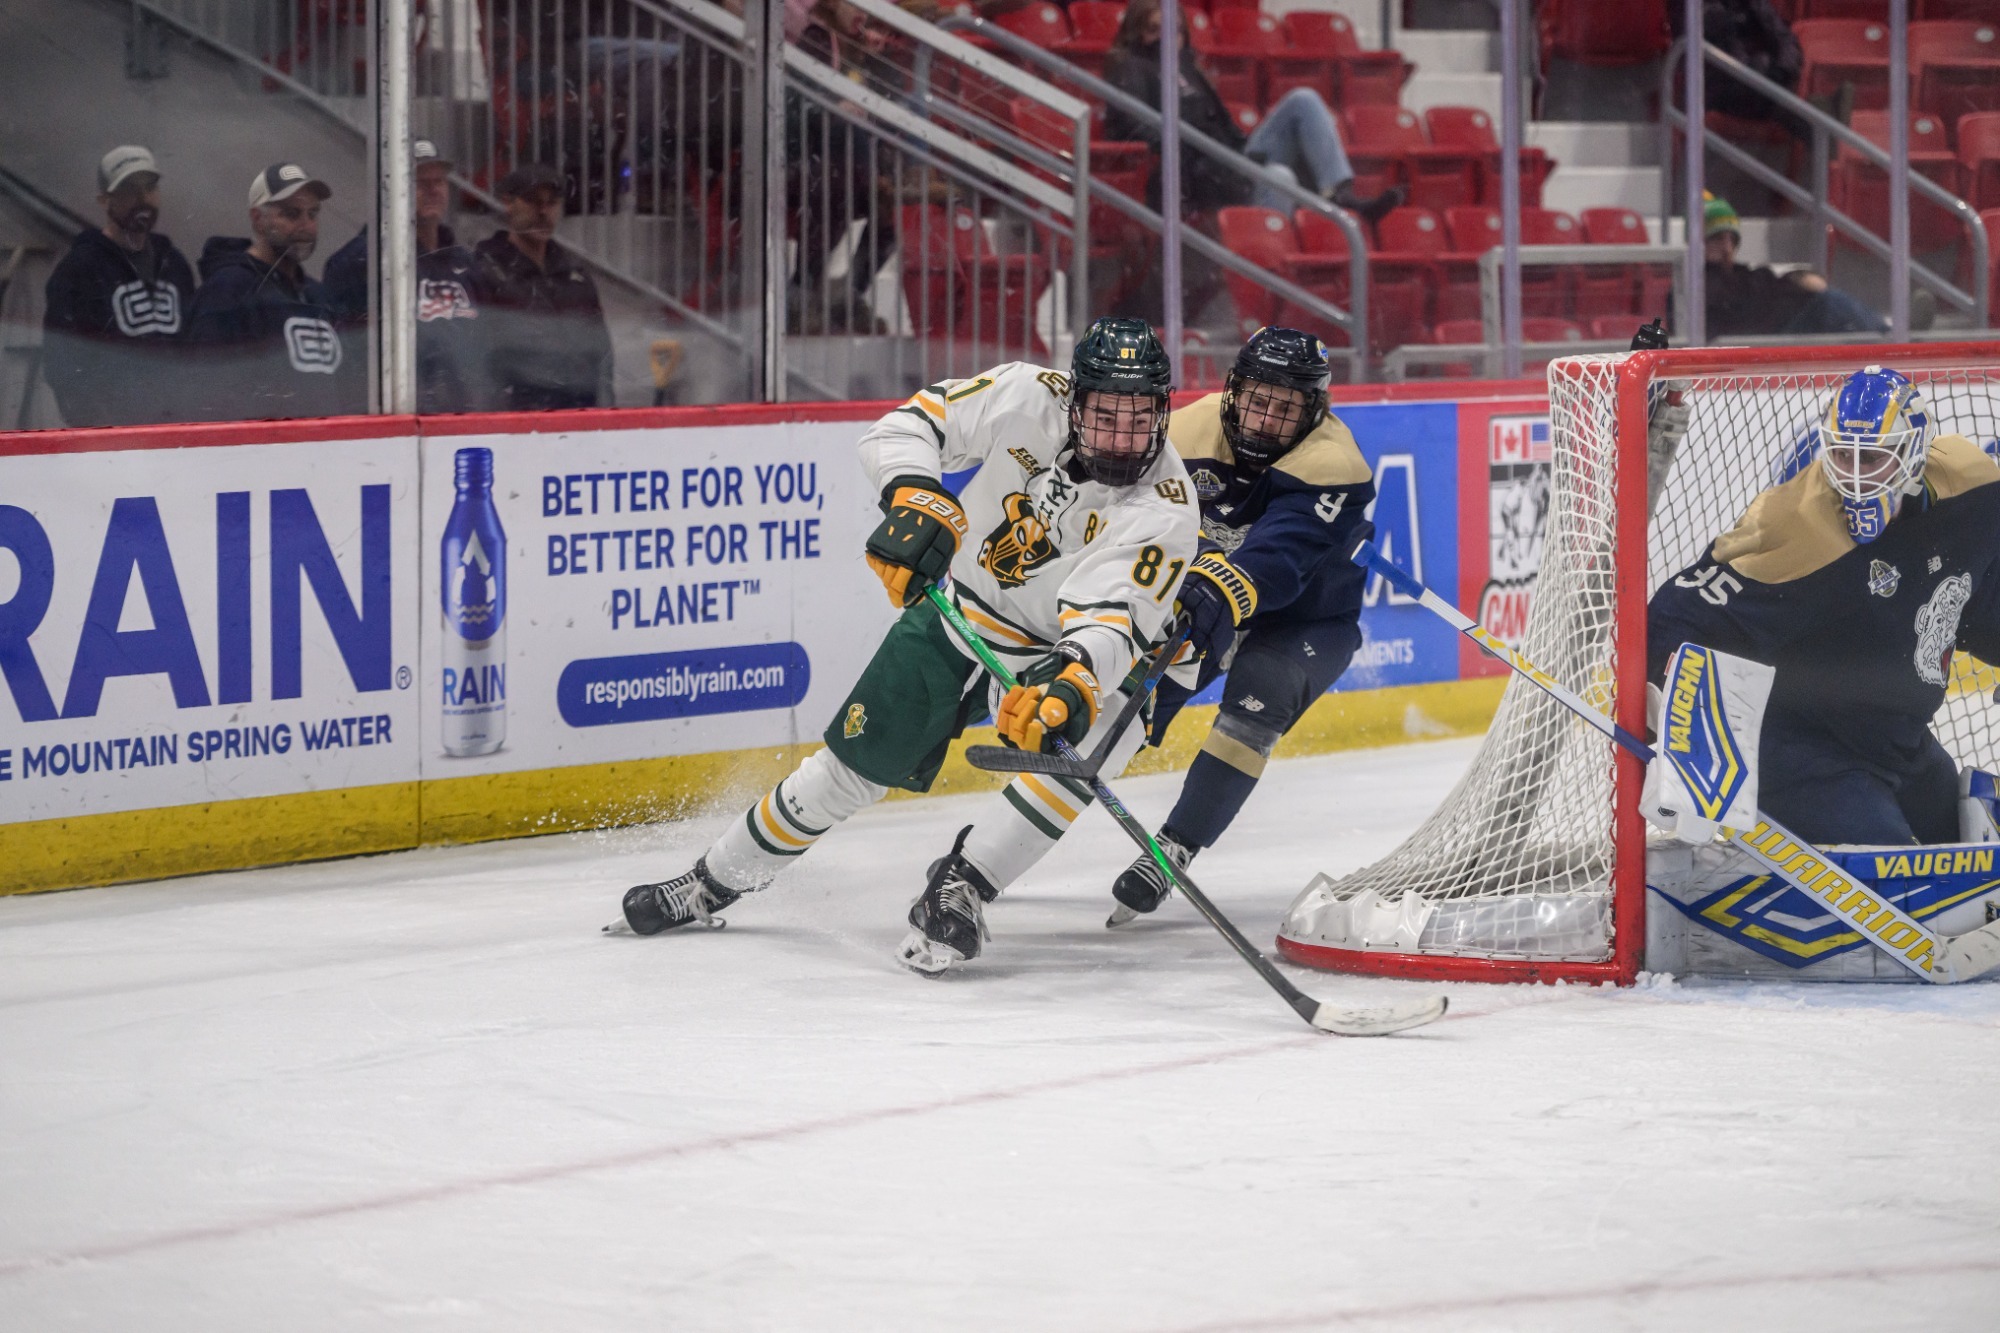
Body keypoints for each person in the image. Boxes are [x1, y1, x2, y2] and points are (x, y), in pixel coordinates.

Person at [615, 317, 1202, 974]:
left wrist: (1072, 680)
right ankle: (710, 882)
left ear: (1163, 411)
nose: (1122, 438)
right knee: (846, 772)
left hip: (1053, 650)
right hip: (962, 613)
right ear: (1075, 400)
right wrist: (915, 493)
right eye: (1106, 416)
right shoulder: (1025, 393)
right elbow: (907, 427)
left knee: (1094, 740)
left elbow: (1113, 616)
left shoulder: (1166, 507)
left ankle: (965, 883)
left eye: (1139, 419)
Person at [1648, 367, 2000, 847]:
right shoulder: (1793, 524)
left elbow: (1979, 595)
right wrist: (1680, 739)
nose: (1853, 475)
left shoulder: (1971, 490)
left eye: (1871, 457)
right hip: (1803, 750)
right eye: (1841, 454)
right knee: (1893, 875)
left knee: (1972, 858)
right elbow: (1679, 617)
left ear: (1914, 452)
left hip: (1898, 743)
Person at [1097, 326, 1379, 923]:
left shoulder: (1335, 463)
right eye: (1257, 399)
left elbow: (1275, 560)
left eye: (1285, 408)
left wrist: (1206, 588)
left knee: (1259, 698)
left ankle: (1175, 846)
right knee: (1127, 707)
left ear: (1314, 409)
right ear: (1233, 390)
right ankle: (1018, 831)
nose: (1266, 419)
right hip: (1210, 593)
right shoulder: (1185, 432)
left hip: (1306, 618)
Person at [1101, 0, 1403, 222]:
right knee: (1280, 176)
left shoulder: (1189, 69)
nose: (1167, 38)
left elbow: (1224, 126)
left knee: (1304, 99)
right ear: (1136, 33)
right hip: (1198, 177)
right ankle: (1267, 262)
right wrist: (1204, 155)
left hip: (1230, 161)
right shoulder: (1131, 68)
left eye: (1174, 31)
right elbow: (1135, 127)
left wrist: (1243, 152)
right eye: (1155, 30)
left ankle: (1340, 194)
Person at [323, 140, 489, 413]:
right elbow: (351, 354)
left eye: (439, 181)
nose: (433, 190)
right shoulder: (365, 260)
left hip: (461, 418)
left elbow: (483, 345)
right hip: (397, 419)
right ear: (391, 190)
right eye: (419, 182)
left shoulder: (463, 261)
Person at [41, 146, 199, 428]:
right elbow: (63, 368)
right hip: (114, 440)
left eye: (149, 187)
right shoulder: (79, 269)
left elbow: (195, 353)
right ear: (104, 200)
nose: (143, 198)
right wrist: (102, 436)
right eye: (129, 189)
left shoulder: (173, 263)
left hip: (176, 433)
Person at [185, 163, 356, 421]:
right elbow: (206, 394)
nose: (306, 225)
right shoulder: (227, 290)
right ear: (258, 219)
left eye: (312, 214)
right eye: (291, 214)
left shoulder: (318, 296)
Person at [473, 162, 614, 411]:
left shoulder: (575, 275)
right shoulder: (485, 271)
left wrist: (605, 413)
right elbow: (478, 359)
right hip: (517, 418)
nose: (543, 211)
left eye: (552, 202)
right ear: (508, 203)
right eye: (532, 201)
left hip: (579, 415)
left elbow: (601, 355)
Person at [1702, 194, 1900, 339]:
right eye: (1718, 238)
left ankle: (1890, 337)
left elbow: (1770, 285)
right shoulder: (1699, 285)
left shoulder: (1740, 274)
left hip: (1782, 328)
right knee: (1829, 305)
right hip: (1767, 339)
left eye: (1731, 239)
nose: (1727, 248)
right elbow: (1741, 308)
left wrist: (1797, 278)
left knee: (1831, 307)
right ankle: (1893, 338)